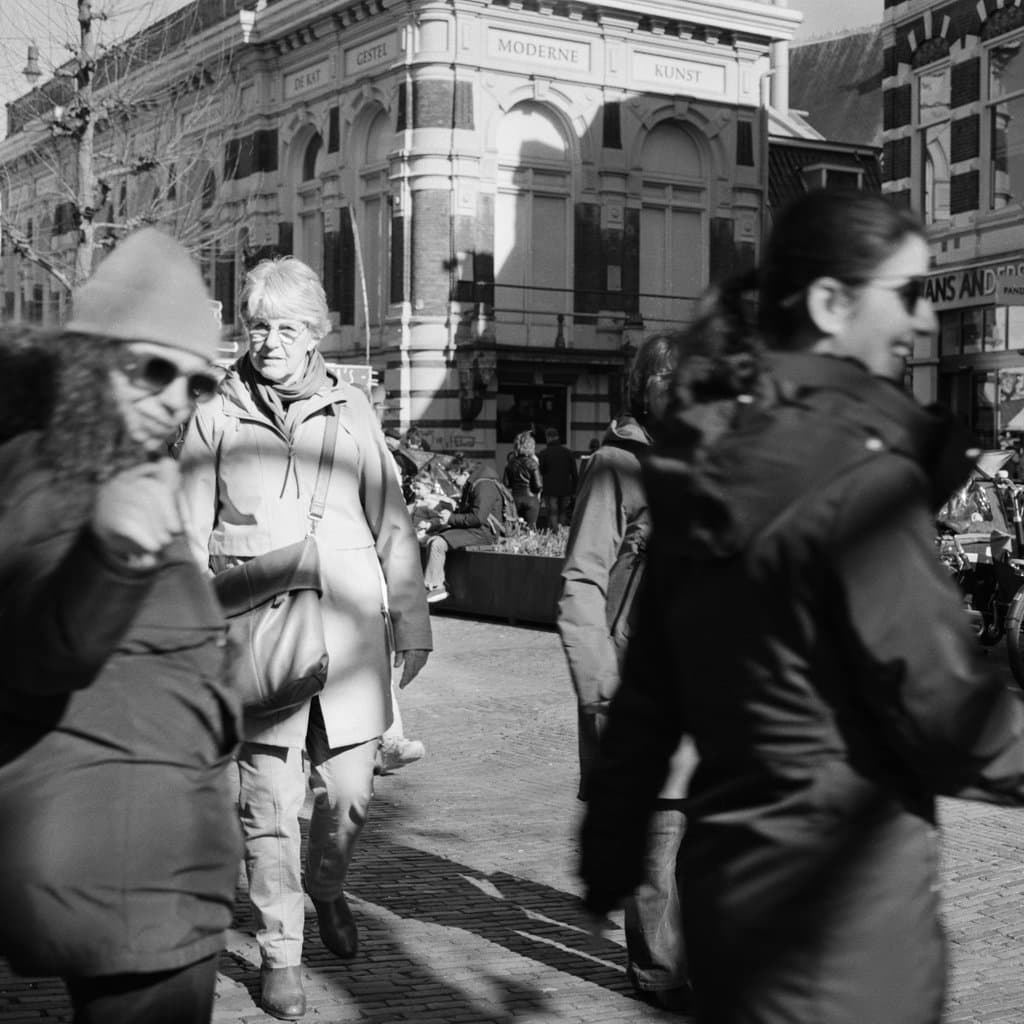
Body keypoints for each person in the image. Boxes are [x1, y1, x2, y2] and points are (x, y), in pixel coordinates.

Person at [579, 189, 1024, 1024]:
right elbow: (947, 714)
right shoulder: (860, 484)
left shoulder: (711, 463)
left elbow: (650, 690)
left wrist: (609, 849)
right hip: (842, 919)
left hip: (729, 900)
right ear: (829, 305)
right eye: (905, 296)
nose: (922, 323)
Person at [179, 256, 432, 1021]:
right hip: (256, 641)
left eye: (286, 328)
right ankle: (281, 949)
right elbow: (185, 537)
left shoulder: (352, 410)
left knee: (349, 794)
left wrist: (412, 622)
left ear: (315, 333)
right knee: (267, 800)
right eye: (258, 327)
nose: (269, 341)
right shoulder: (216, 414)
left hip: (351, 634)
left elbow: (392, 519)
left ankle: (327, 884)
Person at [0, 229, 241, 1024]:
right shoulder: (50, 472)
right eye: (154, 368)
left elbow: (161, 661)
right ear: (89, 361)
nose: (177, 396)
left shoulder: (124, 474)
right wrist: (110, 555)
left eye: (198, 382)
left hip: (151, 869)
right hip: (122, 878)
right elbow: (42, 651)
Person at [421, 457, 506, 603]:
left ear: (465, 474)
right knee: (432, 539)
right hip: (474, 530)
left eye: (454, 480)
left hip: (484, 533)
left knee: (437, 543)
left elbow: (478, 518)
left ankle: (436, 588)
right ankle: (434, 585)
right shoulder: (475, 483)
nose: (453, 483)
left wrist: (451, 518)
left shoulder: (484, 485)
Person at [538, 427, 577, 528]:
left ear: (548, 438)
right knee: (562, 513)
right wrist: (574, 490)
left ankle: (554, 536)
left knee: (552, 513)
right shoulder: (568, 453)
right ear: (558, 437)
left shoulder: (543, 453)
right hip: (565, 488)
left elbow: (540, 471)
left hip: (550, 489)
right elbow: (574, 473)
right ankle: (561, 535)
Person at [503, 429, 543, 528]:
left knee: (516, 529)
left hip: (515, 499)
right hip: (531, 500)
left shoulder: (510, 463)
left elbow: (506, 484)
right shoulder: (533, 463)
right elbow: (538, 486)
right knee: (531, 530)